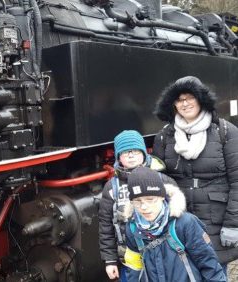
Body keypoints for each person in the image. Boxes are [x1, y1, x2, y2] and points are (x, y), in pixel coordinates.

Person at [152, 76, 238, 275]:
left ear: (201, 100)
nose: (185, 103)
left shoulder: (226, 132)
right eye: (179, 99)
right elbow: (158, 180)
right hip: (180, 217)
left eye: (190, 97)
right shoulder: (164, 136)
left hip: (216, 220)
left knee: (215, 273)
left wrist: (233, 225)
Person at [124, 166, 226, 282]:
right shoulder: (132, 229)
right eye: (137, 201)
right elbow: (134, 267)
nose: (144, 207)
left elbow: (209, 264)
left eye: (150, 199)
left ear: (161, 197)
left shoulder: (185, 223)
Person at [98, 130, 176, 281]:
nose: (131, 155)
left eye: (135, 151)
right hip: (129, 259)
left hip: (163, 254)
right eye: (125, 152)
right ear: (118, 157)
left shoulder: (163, 180)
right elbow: (105, 226)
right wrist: (110, 260)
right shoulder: (111, 187)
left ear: (144, 153)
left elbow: (177, 217)